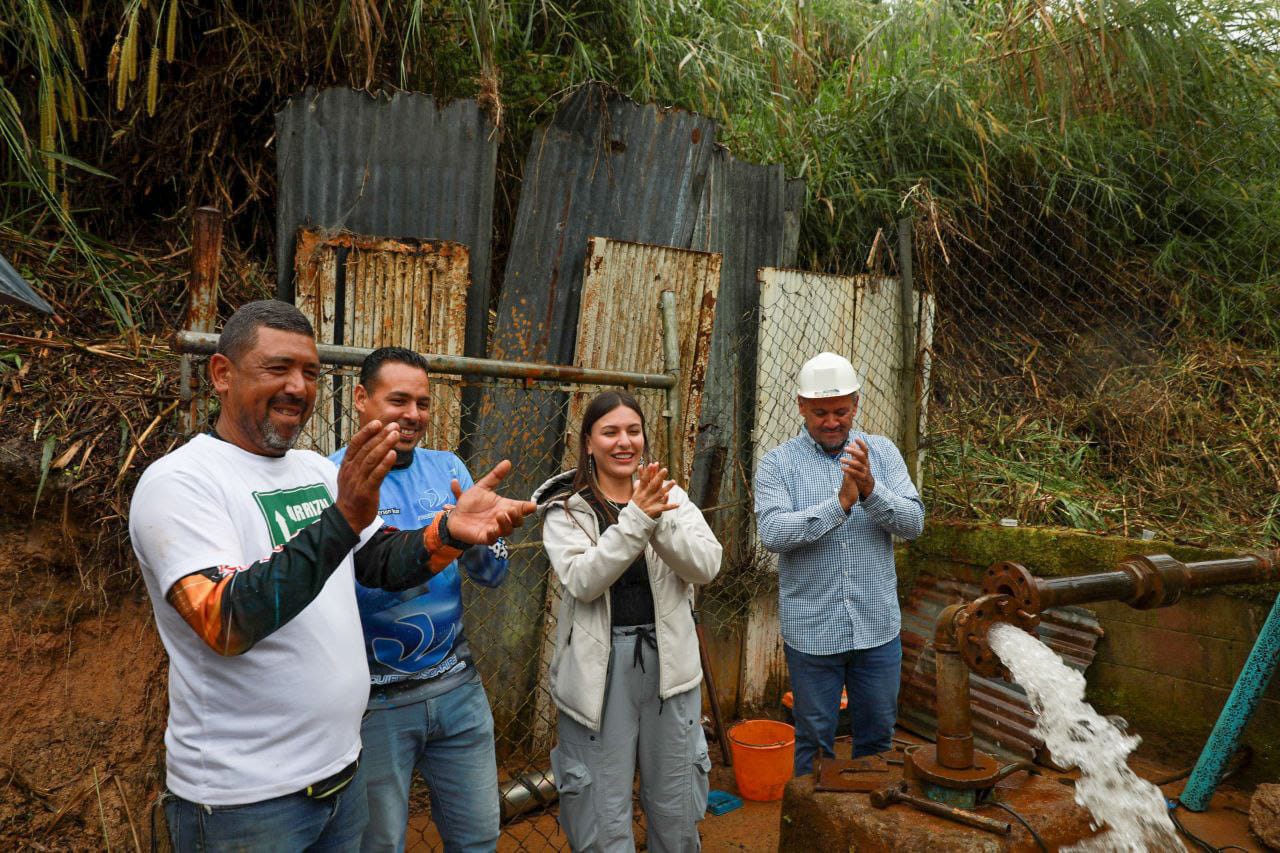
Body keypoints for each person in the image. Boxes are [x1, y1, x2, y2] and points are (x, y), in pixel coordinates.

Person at [129, 300, 536, 851]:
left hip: (340, 778)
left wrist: (450, 533)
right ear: (222, 375)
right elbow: (224, 619)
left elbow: (379, 563)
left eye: (310, 372)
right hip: (244, 801)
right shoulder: (181, 482)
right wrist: (343, 519)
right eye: (278, 368)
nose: (298, 386)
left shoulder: (317, 471)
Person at [330, 347, 507, 853]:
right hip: (375, 704)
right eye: (399, 400)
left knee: (478, 837)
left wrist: (475, 541)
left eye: (423, 404)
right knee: (379, 844)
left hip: (458, 692)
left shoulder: (447, 468)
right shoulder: (327, 478)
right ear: (362, 399)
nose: (413, 415)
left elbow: (496, 573)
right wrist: (442, 536)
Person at [532, 390, 722, 853]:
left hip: (670, 669)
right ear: (589, 443)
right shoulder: (567, 509)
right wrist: (637, 518)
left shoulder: (670, 497)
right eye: (610, 432)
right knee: (601, 808)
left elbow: (706, 566)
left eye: (633, 431)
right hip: (600, 673)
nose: (624, 442)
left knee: (676, 806)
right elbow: (583, 580)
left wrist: (657, 519)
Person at [753, 351, 925, 776]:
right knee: (813, 737)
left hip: (877, 629)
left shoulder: (881, 454)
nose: (831, 421)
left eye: (841, 411)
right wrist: (840, 505)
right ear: (800, 407)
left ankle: (866, 825)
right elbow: (773, 534)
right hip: (813, 631)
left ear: (856, 403)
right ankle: (811, 824)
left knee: (878, 735)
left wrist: (869, 489)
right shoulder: (778, 464)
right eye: (820, 412)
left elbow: (914, 523)